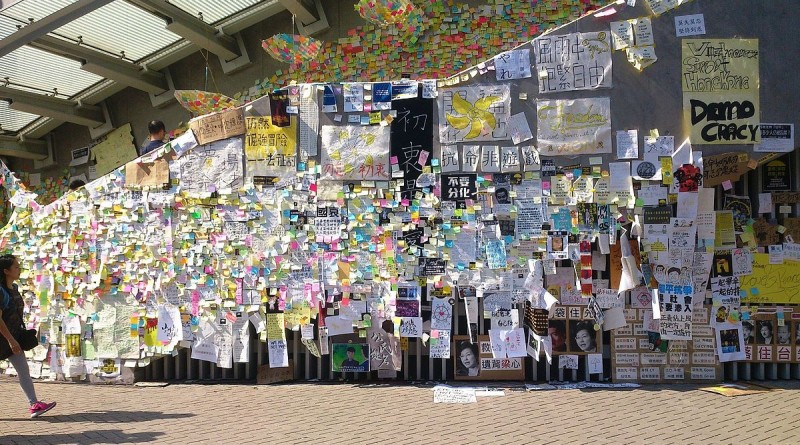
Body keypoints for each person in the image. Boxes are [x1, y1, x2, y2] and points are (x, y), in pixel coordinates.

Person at [0, 254, 57, 418]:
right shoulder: (1, 292)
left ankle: (34, 405)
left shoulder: (15, 289)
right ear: (5, 271)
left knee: (24, 371)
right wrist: (11, 340)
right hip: (5, 339)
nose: (19, 269)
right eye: (16, 267)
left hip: (13, 338)